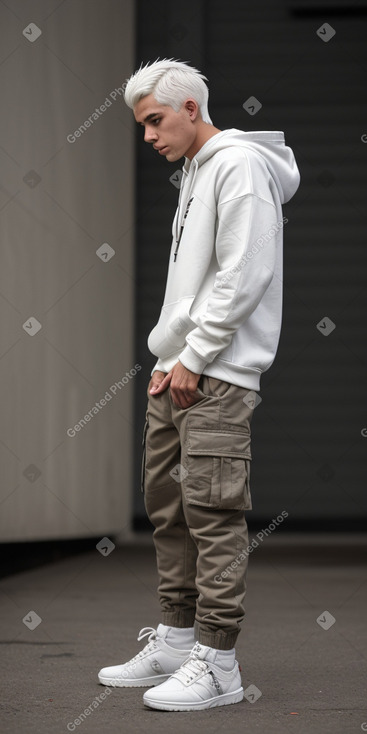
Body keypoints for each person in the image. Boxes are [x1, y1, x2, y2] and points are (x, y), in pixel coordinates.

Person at [98, 58, 300, 712]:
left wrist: (200, 355)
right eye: (142, 125)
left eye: (155, 120)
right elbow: (195, 285)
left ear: (191, 109)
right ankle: (179, 640)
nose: (149, 135)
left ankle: (217, 664)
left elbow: (246, 272)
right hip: (178, 369)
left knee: (211, 514)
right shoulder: (195, 173)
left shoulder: (238, 168)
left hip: (213, 374)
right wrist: (169, 355)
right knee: (169, 508)